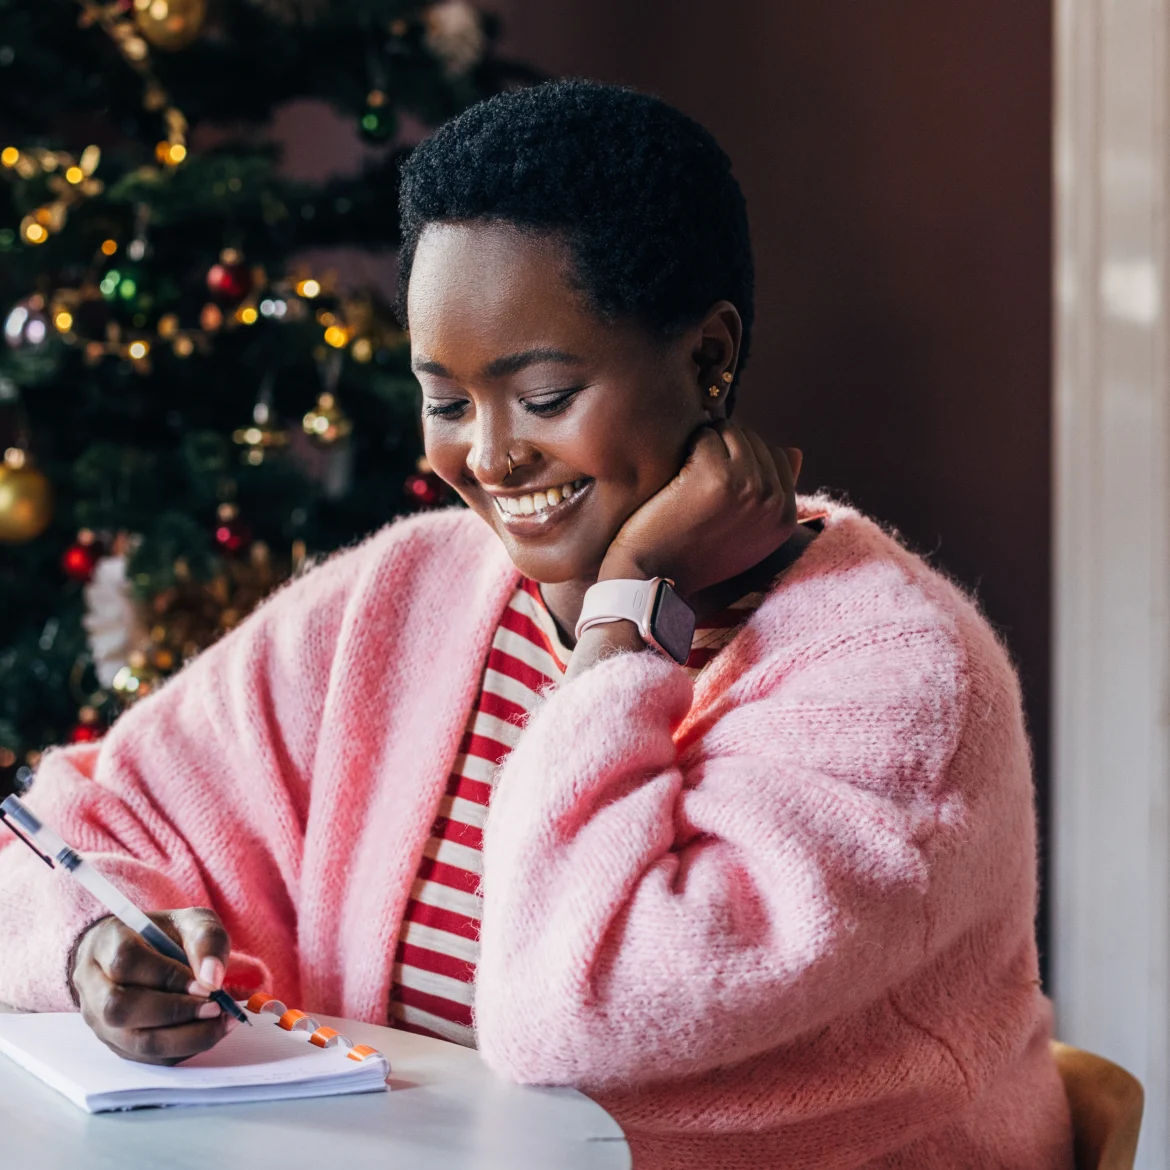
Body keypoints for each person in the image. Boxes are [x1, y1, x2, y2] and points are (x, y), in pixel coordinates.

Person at [0, 81, 1072, 1169]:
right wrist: (99, 945)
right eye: (449, 402)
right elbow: (50, 839)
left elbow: (581, 1005)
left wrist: (631, 613)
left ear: (708, 360)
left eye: (546, 396)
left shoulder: (898, 683)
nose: (492, 455)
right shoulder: (407, 598)